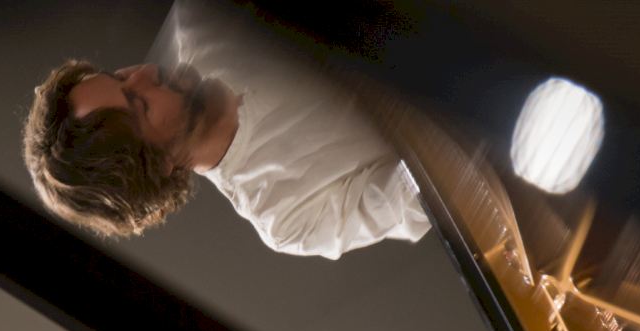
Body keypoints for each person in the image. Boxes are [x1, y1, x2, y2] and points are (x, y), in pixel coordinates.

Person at [22, 0, 430, 260]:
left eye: (121, 76)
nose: (145, 73)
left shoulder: (203, 16)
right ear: (159, 166)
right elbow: (427, 195)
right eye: (139, 103)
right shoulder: (287, 215)